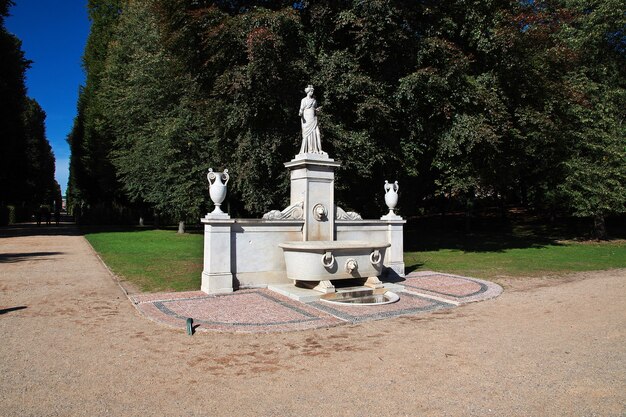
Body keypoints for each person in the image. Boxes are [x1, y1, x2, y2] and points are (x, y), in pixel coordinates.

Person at [298, 85, 325, 155]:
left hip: (313, 119)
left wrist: (317, 110)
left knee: (317, 134)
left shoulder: (314, 101)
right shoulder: (304, 100)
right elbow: (301, 109)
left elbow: (314, 109)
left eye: (312, 91)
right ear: (308, 92)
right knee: (308, 134)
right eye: (311, 91)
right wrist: (300, 113)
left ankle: (318, 149)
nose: (312, 93)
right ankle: (310, 149)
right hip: (307, 119)